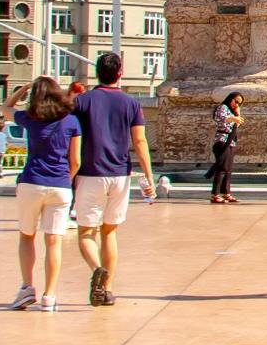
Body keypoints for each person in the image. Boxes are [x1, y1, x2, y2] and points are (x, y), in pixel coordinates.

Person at [72, 51, 158, 308]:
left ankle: (97, 269)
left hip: (90, 173)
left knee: (87, 232)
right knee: (110, 232)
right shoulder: (132, 103)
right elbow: (140, 141)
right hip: (120, 174)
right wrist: (149, 175)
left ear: (96, 72)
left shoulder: (82, 102)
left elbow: (72, 138)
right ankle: (107, 289)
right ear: (120, 73)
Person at [9, 77, 80, 313]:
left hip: (31, 182)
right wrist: (65, 180)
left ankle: (27, 287)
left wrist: (23, 89)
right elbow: (76, 161)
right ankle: (49, 295)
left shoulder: (30, 118)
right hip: (60, 185)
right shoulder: (71, 121)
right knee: (53, 241)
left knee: (27, 236)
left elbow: (5, 108)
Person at [207, 92, 244, 203]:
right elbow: (221, 119)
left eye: (239, 103)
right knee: (221, 168)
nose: (236, 105)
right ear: (231, 99)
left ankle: (226, 192)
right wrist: (234, 118)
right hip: (222, 141)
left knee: (228, 169)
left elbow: (235, 126)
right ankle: (215, 194)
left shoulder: (233, 111)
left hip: (231, 141)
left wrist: (237, 114)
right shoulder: (222, 107)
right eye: (236, 101)